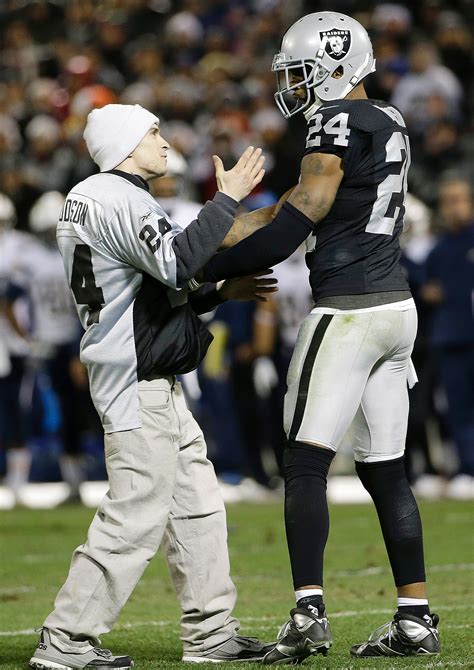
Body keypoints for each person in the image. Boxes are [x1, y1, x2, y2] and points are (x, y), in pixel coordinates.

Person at [198, 11, 441, 661]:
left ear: (336, 65)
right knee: (386, 472)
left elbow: (302, 211)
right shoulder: (387, 119)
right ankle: (415, 620)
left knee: (304, 462)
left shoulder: (331, 120)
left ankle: (308, 613)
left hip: (348, 312)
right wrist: (217, 231)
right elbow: (297, 205)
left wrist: (214, 265)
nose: (297, 87)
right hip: (397, 311)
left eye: (303, 73)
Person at [28, 103, 278, 669]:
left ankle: (211, 633)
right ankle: (66, 640)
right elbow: (180, 261)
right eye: (153, 131)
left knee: (198, 508)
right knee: (136, 511)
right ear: (124, 143)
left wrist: (218, 295)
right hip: (133, 378)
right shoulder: (118, 196)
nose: (164, 142)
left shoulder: (102, 197)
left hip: (150, 375)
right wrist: (229, 196)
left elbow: (155, 290)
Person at [421, 175, 474, 499]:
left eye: (459, 199)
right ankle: (468, 468)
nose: (453, 207)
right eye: (447, 201)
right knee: (458, 409)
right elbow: (428, 289)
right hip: (451, 338)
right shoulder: (438, 250)